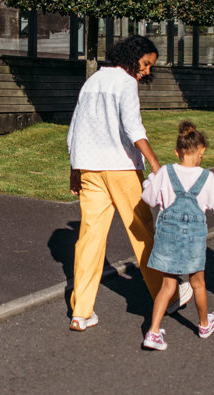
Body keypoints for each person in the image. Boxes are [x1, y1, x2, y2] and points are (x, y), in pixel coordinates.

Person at [67, 35, 192, 332]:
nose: (148, 70)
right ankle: (169, 295)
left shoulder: (93, 81)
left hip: (90, 169)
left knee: (89, 240)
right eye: (146, 64)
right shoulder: (125, 83)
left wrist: (75, 168)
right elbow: (133, 128)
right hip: (121, 169)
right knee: (142, 233)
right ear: (132, 56)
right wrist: (156, 164)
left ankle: (81, 312)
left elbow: (76, 126)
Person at [139, 121, 214, 350]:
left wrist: (150, 180)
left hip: (168, 236)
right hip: (193, 239)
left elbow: (149, 198)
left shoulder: (165, 172)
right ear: (202, 151)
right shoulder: (206, 178)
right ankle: (204, 324)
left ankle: (153, 332)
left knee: (167, 285)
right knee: (198, 283)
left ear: (177, 152)